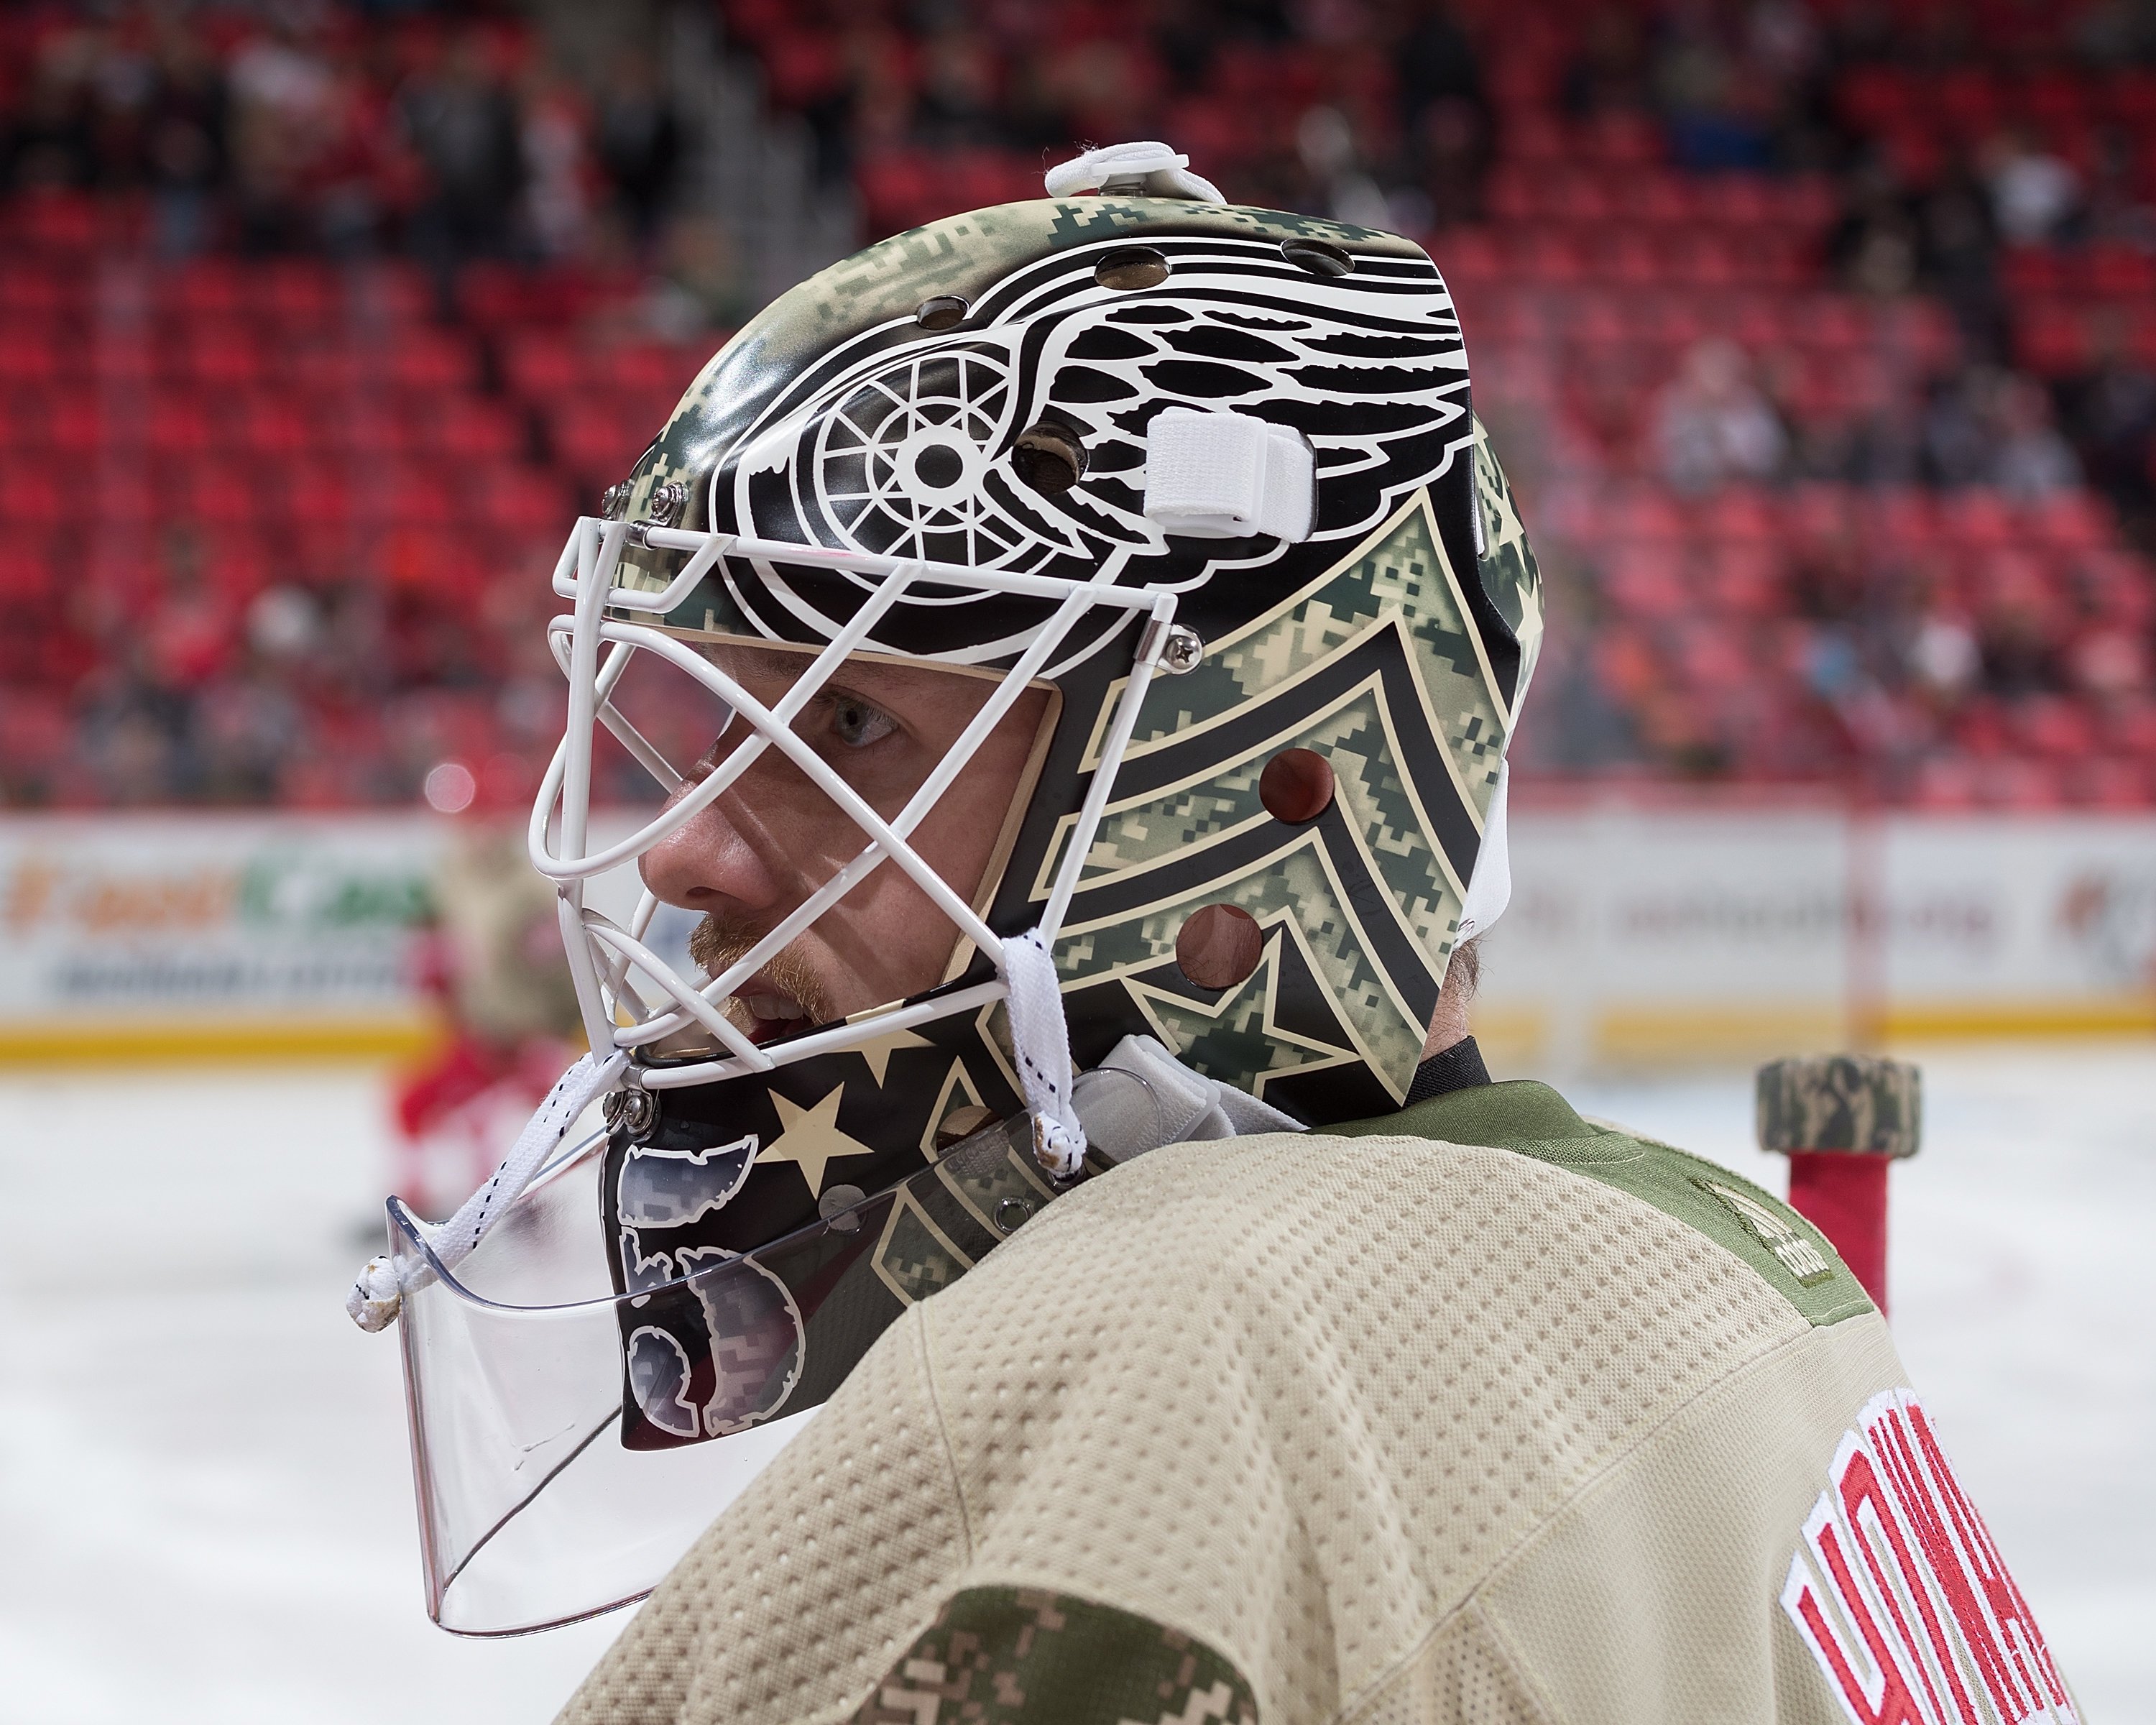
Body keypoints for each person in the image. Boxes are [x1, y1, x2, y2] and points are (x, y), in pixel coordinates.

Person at [348, 142, 2078, 1722]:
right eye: (728, 733)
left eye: (855, 731)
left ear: (1277, 792)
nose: (696, 853)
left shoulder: (1135, 1379)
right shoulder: (1731, 1257)